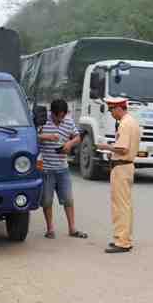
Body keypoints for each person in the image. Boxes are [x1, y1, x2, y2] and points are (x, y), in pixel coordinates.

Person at [96, 97, 141, 253]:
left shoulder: (125, 124)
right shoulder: (132, 122)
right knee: (125, 205)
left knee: (120, 206)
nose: (111, 113)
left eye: (111, 110)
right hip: (126, 166)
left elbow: (122, 149)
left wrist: (106, 147)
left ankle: (122, 241)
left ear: (118, 108)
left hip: (121, 167)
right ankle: (124, 238)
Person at [37, 99, 88, 239]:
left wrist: (69, 144)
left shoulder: (68, 121)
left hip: (63, 168)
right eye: (57, 117)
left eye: (62, 116)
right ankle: (50, 229)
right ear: (51, 113)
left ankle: (72, 229)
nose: (60, 119)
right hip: (46, 169)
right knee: (47, 201)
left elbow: (77, 137)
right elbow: (32, 137)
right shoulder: (42, 121)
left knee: (68, 199)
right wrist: (46, 137)